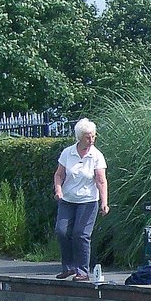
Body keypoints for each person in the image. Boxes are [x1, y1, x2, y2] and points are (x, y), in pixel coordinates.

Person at [53, 118, 109, 282]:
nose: (91, 140)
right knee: (61, 231)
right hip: (68, 199)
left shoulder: (96, 156)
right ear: (79, 137)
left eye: (93, 136)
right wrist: (58, 189)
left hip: (88, 201)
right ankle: (68, 267)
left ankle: (83, 271)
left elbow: (101, 180)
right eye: (87, 137)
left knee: (81, 234)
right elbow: (59, 174)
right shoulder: (67, 153)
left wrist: (104, 202)